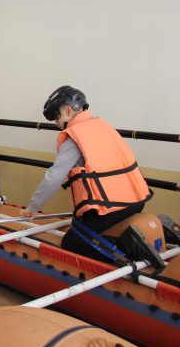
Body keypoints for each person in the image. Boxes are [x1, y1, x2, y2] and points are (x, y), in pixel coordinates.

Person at [19, 86, 163, 267]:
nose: (56, 123)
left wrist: (33, 207)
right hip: (137, 199)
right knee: (80, 224)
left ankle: (127, 245)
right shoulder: (103, 127)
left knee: (72, 243)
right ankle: (164, 230)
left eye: (56, 117)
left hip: (110, 208)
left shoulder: (74, 138)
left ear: (68, 110)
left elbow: (53, 178)